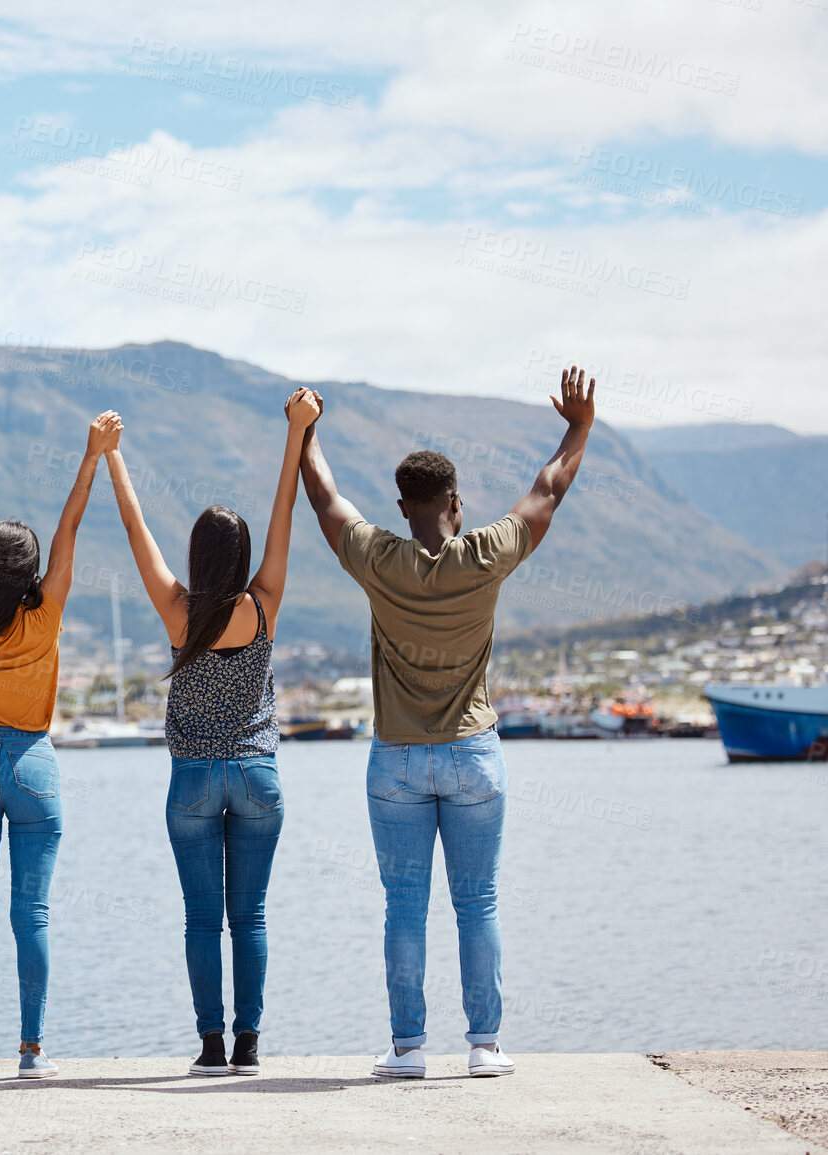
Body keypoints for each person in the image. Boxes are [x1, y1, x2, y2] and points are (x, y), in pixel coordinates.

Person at [297, 367, 596, 1079]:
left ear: (402, 506)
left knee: (403, 905)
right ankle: (484, 1047)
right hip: (472, 756)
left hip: (396, 759)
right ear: (455, 503)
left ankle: (406, 1049)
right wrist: (577, 425)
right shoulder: (485, 555)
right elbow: (549, 487)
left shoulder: (376, 557)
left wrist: (304, 432)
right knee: (477, 903)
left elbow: (323, 497)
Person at [103, 390, 319, 1078]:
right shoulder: (264, 605)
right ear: (243, 554)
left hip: (192, 780)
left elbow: (136, 529)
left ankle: (210, 1046)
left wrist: (113, 459)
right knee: (248, 919)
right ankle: (250, 1045)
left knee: (203, 921)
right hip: (256, 775)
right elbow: (284, 507)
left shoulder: (178, 611)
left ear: (196, 557)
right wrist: (297, 431)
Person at [0, 409, 121, 1081]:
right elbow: (70, 526)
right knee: (29, 912)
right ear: (29, 569)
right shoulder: (45, 614)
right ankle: (32, 1052)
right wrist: (91, 454)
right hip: (34, 765)